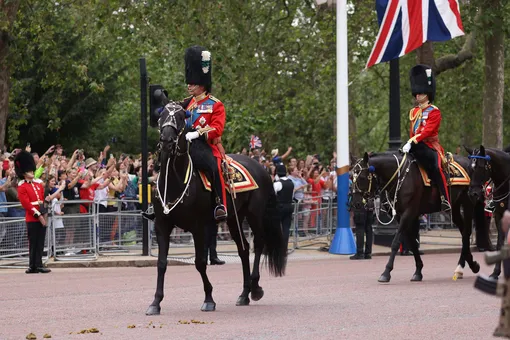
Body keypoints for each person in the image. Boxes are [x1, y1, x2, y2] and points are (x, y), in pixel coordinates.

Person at [143, 45, 227, 224]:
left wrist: (198, 134)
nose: (189, 85)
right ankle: (158, 202)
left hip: (205, 145)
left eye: (193, 83)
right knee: (164, 161)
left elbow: (217, 128)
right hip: (184, 144)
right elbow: (172, 110)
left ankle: (220, 204)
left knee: (213, 167)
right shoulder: (187, 102)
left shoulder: (215, 104)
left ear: (202, 83)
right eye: (189, 82)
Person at [402, 64, 450, 212]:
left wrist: (412, 141)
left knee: (436, 168)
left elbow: (427, 131)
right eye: (416, 93)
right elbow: (413, 130)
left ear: (427, 93)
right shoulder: (414, 111)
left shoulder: (434, 112)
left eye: (420, 93)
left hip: (429, 147)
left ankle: (444, 198)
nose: (417, 95)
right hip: (416, 146)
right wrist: (411, 142)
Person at [15, 151, 51, 274]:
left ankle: (38, 264)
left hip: (41, 213)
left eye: (32, 170)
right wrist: (38, 215)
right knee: (33, 242)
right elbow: (27, 204)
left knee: (40, 242)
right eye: (29, 171)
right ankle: (32, 266)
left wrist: (45, 210)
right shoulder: (22, 186)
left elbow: (40, 200)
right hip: (32, 217)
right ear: (24, 173)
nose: (31, 172)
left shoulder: (38, 184)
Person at [273, 164, 294, 251]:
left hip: (279, 207)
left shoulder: (277, 183)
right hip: (289, 206)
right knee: (286, 228)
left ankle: (276, 247)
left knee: (277, 227)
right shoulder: (291, 182)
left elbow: (272, 196)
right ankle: (284, 248)